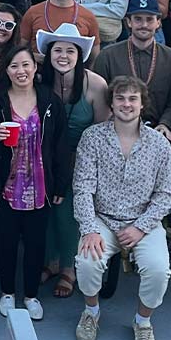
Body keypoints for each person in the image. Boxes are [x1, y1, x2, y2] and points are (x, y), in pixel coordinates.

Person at [73, 77, 171, 340]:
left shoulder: (159, 144)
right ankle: (91, 313)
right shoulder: (92, 137)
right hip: (102, 218)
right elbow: (82, 187)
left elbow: (166, 194)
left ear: (143, 104)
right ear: (111, 102)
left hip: (143, 222)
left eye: (133, 98)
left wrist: (141, 228)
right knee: (87, 261)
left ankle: (143, 322)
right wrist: (89, 229)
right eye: (120, 98)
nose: (126, 104)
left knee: (158, 270)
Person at [0, 45, 71, 321]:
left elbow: (61, 146)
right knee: (6, 241)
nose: (21, 71)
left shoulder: (50, 101)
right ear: (7, 71)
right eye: (14, 66)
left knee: (36, 243)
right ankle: (6, 292)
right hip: (7, 185)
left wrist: (60, 185)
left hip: (40, 186)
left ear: (35, 67)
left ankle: (30, 295)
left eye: (26, 65)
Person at [36, 23, 109, 299]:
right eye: (57, 50)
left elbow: (103, 130)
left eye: (70, 50)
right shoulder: (40, 82)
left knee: (67, 211)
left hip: (83, 160)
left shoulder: (95, 84)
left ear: (79, 55)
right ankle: (50, 261)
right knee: (45, 210)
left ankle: (69, 267)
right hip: (46, 158)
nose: (63, 56)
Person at [94, 0, 171, 143]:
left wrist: (165, 124)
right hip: (116, 128)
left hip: (158, 130)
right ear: (129, 22)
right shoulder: (108, 55)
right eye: (138, 19)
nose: (144, 25)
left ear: (158, 22)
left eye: (149, 19)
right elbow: (101, 98)